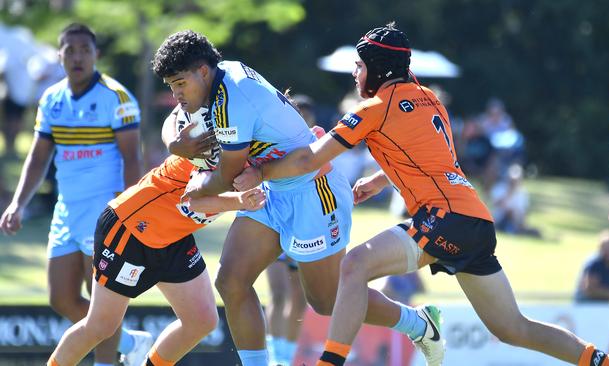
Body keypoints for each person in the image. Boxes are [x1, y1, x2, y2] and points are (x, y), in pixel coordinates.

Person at [233, 23, 609, 366]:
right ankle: (607, 362)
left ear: (375, 67)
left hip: (443, 218)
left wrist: (259, 171)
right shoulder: (430, 100)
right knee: (512, 328)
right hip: (475, 220)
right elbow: (434, 160)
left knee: (354, 265)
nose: (355, 75)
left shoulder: (371, 109)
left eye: (359, 66)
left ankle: (330, 362)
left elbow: (308, 160)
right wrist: (380, 180)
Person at [153, 30, 444, 366]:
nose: (176, 94)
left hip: (312, 193)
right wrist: (175, 146)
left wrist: (197, 188)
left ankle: (419, 323)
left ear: (202, 71)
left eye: (179, 84)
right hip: (272, 189)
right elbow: (173, 122)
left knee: (326, 301)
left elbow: (229, 177)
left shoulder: (232, 98)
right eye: (170, 86)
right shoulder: (219, 76)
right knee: (231, 280)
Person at [47, 103, 267, 365]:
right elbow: (193, 201)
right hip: (130, 228)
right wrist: (238, 200)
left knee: (202, 320)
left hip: (173, 236)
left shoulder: (257, 154)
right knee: (101, 326)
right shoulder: (218, 139)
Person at [0, 23, 152, 366]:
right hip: (66, 211)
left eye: (85, 49)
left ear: (96, 55)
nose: (78, 56)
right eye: (70, 50)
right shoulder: (52, 99)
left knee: (101, 306)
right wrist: (17, 204)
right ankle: (130, 342)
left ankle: (107, 361)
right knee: (62, 298)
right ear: (60, 56)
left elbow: (132, 159)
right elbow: (39, 157)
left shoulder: (117, 97)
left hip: (105, 212)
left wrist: (131, 214)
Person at [265, 255, 307, 365]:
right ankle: (275, 358)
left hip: (301, 241)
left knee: (300, 302)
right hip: (277, 240)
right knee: (279, 295)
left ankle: (288, 359)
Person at [575, 230, 609, 303]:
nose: (608, 250)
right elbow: (590, 290)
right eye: (605, 247)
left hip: (606, 304)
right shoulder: (593, 263)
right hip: (586, 304)